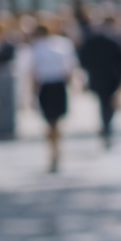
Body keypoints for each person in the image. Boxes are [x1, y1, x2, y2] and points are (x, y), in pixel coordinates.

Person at [29, 21, 78, 173]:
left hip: (47, 85)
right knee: (55, 121)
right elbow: (70, 68)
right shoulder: (63, 44)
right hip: (58, 85)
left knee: (50, 121)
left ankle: (54, 152)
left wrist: (32, 93)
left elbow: (33, 72)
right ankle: (56, 151)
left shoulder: (38, 47)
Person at [79, 13, 121, 148]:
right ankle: (107, 126)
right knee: (108, 103)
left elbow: (84, 60)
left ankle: (106, 126)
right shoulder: (113, 41)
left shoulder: (93, 41)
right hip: (111, 77)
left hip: (97, 77)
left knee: (103, 103)